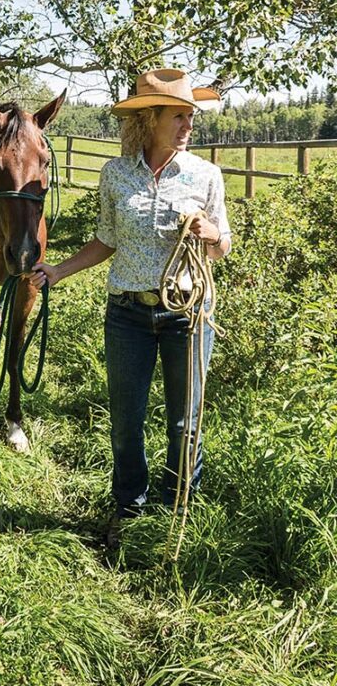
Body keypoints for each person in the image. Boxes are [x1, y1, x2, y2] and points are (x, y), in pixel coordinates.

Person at [30, 68, 232, 542]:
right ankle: (130, 508)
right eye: (179, 117)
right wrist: (59, 270)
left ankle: (179, 509)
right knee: (126, 417)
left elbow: (222, 247)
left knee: (186, 420)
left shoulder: (206, 175)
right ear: (150, 120)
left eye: (190, 118)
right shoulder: (116, 175)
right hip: (127, 313)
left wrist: (211, 236)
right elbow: (106, 240)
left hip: (188, 312)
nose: (188, 126)